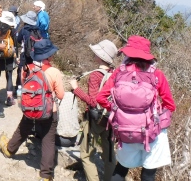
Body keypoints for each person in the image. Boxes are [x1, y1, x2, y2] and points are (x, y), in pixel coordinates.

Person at [96, 36, 176, 181]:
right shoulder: (156, 74)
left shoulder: (119, 73)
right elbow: (170, 105)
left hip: (125, 131)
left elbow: (101, 98)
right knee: (148, 174)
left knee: (121, 169)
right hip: (152, 133)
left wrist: (116, 110)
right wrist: (157, 117)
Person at [0, 39, 65, 181]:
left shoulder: (26, 68)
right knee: (48, 140)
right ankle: (45, 175)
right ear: (48, 56)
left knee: (23, 129)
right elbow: (60, 95)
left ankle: (10, 150)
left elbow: (26, 87)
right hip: (48, 110)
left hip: (30, 108)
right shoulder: (54, 71)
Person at [69, 39, 119, 181]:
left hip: (94, 120)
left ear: (100, 56)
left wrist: (76, 89)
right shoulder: (114, 74)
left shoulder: (95, 75)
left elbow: (93, 101)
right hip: (110, 118)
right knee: (109, 155)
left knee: (85, 154)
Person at [15, 11, 41, 92]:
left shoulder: (23, 30)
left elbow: (18, 40)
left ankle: (19, 89)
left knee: (21, 70)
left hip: (24, 53)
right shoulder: (38, 30)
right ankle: (32, 87)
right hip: (35, 54)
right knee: (33, 70)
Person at [0, 10, 17, 106]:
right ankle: (9, 98)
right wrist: (15, 55)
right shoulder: (11, 29)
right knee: (9, 76)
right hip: (9, 55)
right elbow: (15, 43)